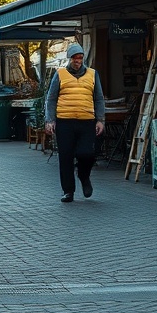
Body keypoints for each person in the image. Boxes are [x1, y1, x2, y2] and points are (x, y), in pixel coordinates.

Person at [44, 43, 105, 203]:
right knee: (66, 157)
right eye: (74, 58)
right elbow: (51, 99)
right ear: (69, 59)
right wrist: (50, 120)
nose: (77, 61)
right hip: (65, 122)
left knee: (87, 154)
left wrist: (100, 120)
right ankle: (68, 191)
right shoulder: (60, 74)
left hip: (87, 122)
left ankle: (84, 177)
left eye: (80, 58)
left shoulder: (93, 74)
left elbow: (98, 98)